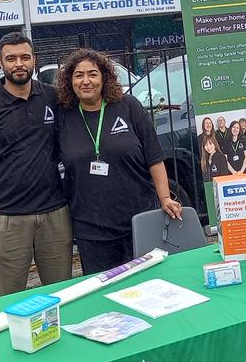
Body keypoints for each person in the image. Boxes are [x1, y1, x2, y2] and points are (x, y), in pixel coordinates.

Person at [0, 32, 73, 296]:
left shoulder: (54, 99)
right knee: (8, 304)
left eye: (24, 57)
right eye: (11, 58)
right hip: (6, 219)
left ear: (34, 59)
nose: (18, 64)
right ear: (1, 63)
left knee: (61, 296)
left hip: (54, 215)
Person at [56, 48, 183, 274]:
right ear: (70, 81)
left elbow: (154, 158)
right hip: (91, 228)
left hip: (137, 220)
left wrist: (164, 197)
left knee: (148, 287)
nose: (86, 81)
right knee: (103, 295)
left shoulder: (128, 106)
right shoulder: (64, 116)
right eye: (78, 75)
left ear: (104, 77)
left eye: (93, 74)